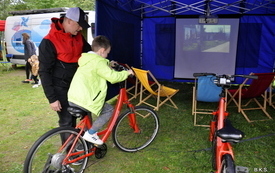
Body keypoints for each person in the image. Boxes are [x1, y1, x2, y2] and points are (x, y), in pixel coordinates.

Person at [68, 35, 134, 145]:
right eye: (107, 53)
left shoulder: (87, 59)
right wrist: (126, 73)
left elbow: (97, 64)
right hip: (85, 99)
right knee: (108, 110)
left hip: (74, 97)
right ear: (102, 50)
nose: (107, 55)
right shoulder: (99, 63)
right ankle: (92, 133)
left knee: (86, 123)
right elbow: (113, 77)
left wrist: (108, 63)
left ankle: (82, 145)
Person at [38, 7, 91, 130]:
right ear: (69, 21)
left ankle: (85, 144)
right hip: (60, 88)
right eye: (79, 25)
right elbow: (44, 71)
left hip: (77, 85)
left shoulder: (78, 36)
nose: (81, 28)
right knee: (67, 120)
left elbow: (90, 54)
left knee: (85, 114)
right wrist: (52, 99)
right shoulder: (48, 41)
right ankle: (70, 149)